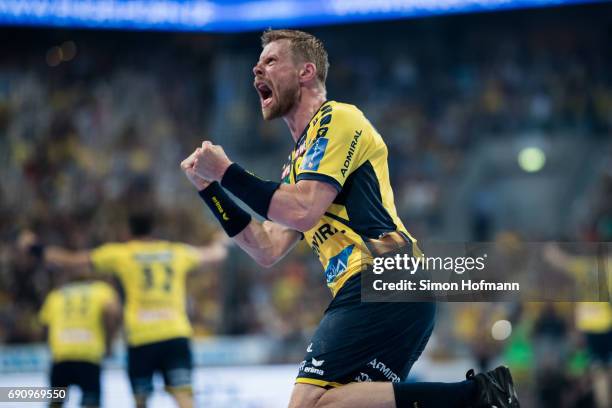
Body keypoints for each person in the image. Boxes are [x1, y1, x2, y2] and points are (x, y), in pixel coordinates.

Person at [180, 29, 520, 408]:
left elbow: (301, 209)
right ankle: (480, 396)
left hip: (384, 276)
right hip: (384, 291)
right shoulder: (297, 166)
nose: (257, 70)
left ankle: (474, 396)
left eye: (271, 61)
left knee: (306, 404)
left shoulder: (337, 119)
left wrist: (226, 171)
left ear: (306, 72)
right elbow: (266, 247)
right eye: (257, 64)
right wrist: (210, 190)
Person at [31, 212, 228, 408]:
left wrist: (36, 249)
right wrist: (221, 239)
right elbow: (215, 255)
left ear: (127, 231)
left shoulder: (122, 254)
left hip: (140, 338)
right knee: (184, 398)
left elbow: (72, 261)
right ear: (154, 230)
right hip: (175, 334)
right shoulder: (176, 252)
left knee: (140, 401)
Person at [39, 270, 121, 408]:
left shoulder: (56, 295)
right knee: (91, 401)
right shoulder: (101, 291)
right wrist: (109, 342)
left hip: (61, 356)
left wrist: (51, 346)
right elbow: (113, 313)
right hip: (88, 356)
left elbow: (45, 325)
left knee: (56, 401)